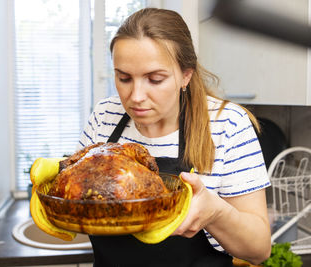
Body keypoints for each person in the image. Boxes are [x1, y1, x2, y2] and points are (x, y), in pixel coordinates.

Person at [78, 7, 271, 267]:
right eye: (123, 78)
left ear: (186, 75)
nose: (135, 96)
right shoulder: (105, 116)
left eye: (155, 79)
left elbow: (258, 250)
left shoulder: (228, 124)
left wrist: (214, 212)